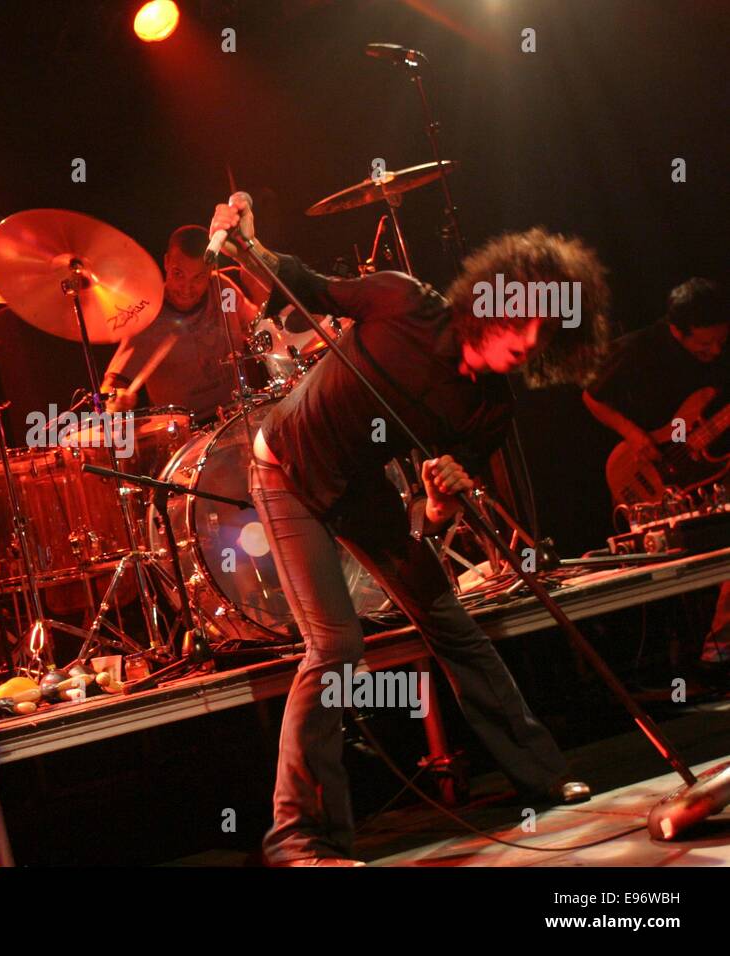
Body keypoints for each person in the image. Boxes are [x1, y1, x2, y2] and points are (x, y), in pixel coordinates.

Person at [210, 193, 610, 865]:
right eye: (524, 321)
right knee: (336, 648)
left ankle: (542, 776)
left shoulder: (488, 409)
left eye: (545, 334)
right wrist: (248, 241)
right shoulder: (403, 302)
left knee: (451, 622)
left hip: (359, 489)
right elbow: (303, 285)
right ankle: (299, 842)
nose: (529, 342)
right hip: (286, 472)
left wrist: (439, 500)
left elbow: (431, 521)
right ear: (492, 302)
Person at [583, 278, 730, 674]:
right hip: (654, 468)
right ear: (677, 331)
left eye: (720, 342)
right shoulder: (640, 347)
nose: (714, 351)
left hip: (704, 464)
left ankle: (719, 649)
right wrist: (635, 435)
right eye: (704, 345)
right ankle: (687, 662)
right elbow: (591, 394)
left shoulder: (719, 352)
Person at [102, 225, 256, 419]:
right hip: (187, 433)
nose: (186, 288)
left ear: (211, 268)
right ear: (166, 262)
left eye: (198, 277)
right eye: (178, 274)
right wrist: (116, 398)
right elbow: (114, 383)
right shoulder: (150, 315)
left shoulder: (223, 291)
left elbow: (255, 328)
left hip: (239, 413)